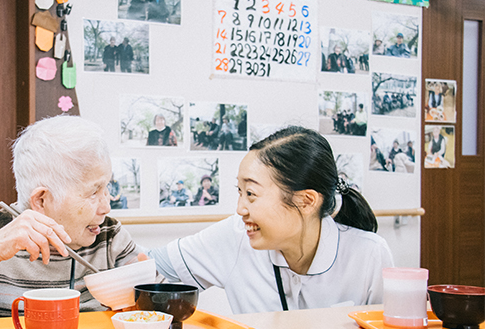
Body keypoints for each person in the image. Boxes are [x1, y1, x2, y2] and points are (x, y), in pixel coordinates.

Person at [0, 116, 141, 329]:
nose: (106, 207)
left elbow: (161, 316)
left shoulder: (110, 236)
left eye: (106, 188)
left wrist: (152, 291)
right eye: (94, 192)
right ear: (42, 200)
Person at [149, 126, 393, 314]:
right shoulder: (235, 236)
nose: (240, 209)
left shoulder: (369, 255)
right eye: (240, 192)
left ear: (306, 201)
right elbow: (149, 266)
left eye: (251, 194)